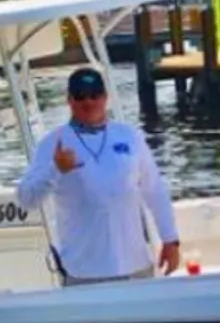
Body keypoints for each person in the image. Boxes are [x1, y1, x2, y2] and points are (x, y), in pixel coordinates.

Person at [16, 66, 182, 285]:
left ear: (105, 97)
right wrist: (55, 169)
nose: (88, 102)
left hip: (135, 266)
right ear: (69, 100)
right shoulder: (52, 143)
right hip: (84, 272)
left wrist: (170, 240)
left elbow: (154, 190)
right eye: (80, 96)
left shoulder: (129, 136)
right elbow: (26, 199)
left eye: (94, 95)